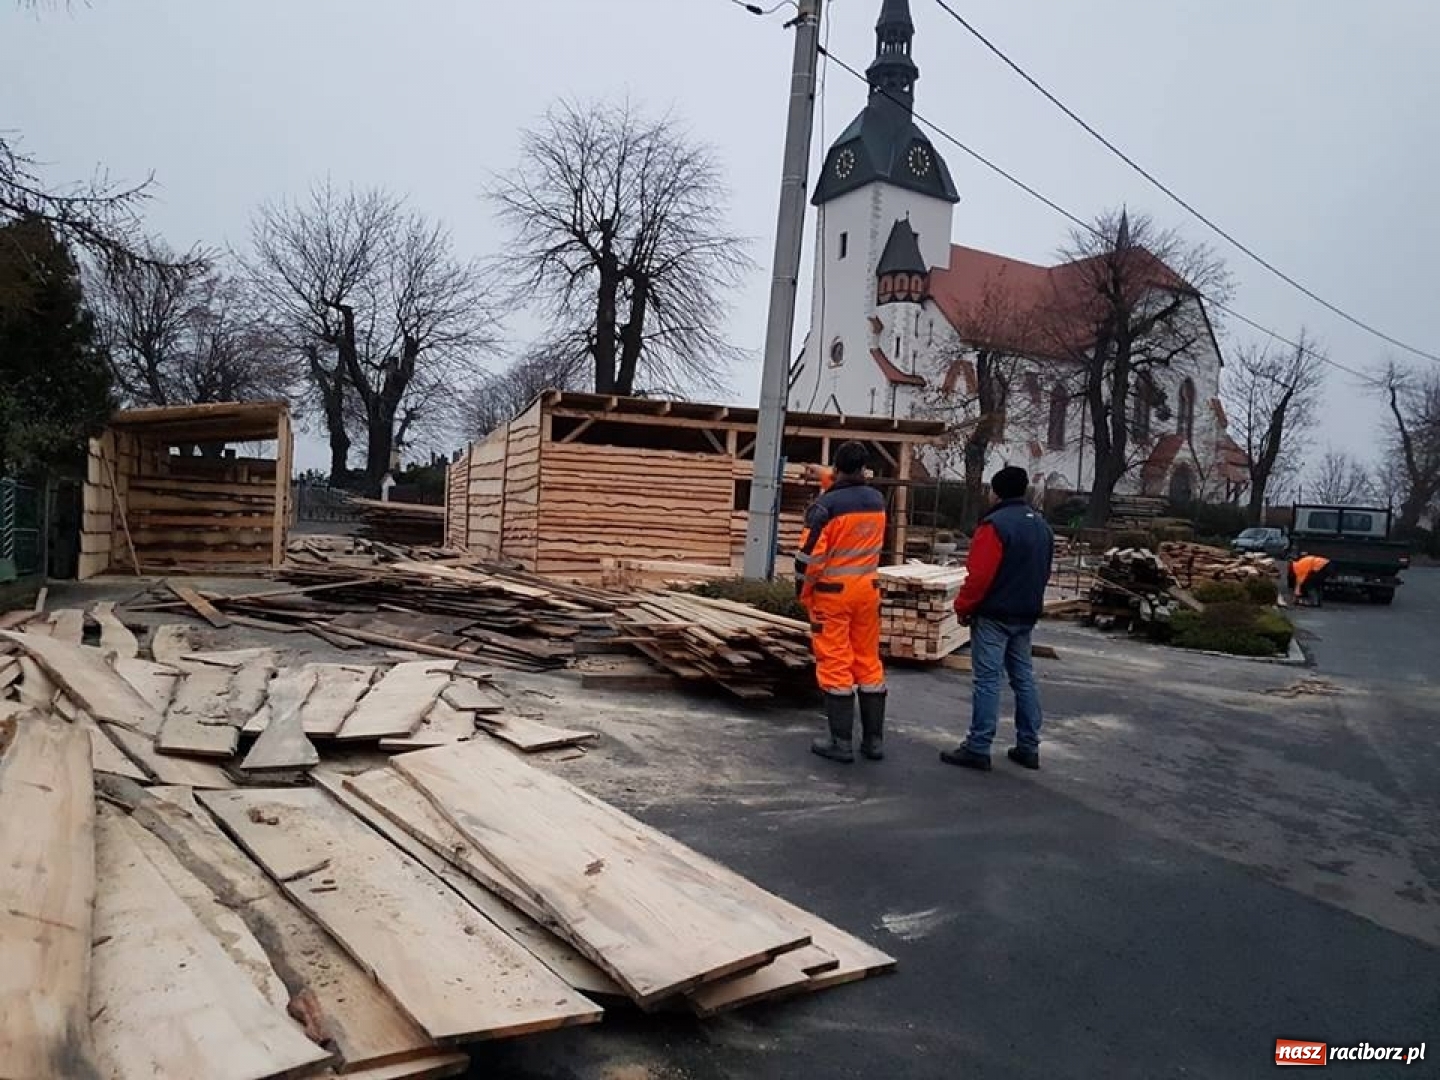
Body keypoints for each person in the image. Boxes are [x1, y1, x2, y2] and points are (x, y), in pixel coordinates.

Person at [942, 465, 1053, 772]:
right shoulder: (1041, 525)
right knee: (1024, 679)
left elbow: (979, 576)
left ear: (997, 492)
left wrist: (963, 607)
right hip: (1025, 613)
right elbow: (1044, 571)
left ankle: (978, 746)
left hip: (994, 614)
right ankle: (1029, 746)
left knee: (988, 681)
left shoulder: (994, 525)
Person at [795, 441, 888, 763]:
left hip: (832, 595)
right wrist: (823, 473)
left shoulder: (825, 507)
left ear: (836, 467)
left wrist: (803, 594)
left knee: (835, 662)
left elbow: (809, 558)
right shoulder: (876, 500)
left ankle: (841, 742)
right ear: (864, 468)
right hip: (868, 590)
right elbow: (848, 490)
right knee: (868, 660)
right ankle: (874, 742)